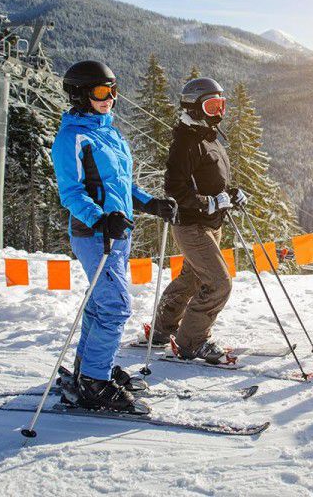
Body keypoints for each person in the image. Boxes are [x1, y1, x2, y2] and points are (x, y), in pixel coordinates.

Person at [51, 60, 177, 413]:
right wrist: (100, 219)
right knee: (115, 304)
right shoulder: (72, 137)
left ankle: (89, 369)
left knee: (100, 303)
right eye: (101, 92)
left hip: (117, 234)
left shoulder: (110, 132)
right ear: (79, 94)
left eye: (113, 91)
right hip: (93, 235)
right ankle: (94, 382)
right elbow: (72, 193)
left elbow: (121, 186)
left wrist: (150, 203)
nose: (110, 99)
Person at [150, 77, 247, 364]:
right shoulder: (185, 142)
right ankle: (191, 342)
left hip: (209, 222)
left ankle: (161, 329)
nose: (218, 112)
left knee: (192, 278)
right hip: (191, 224)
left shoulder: (208, 136)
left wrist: (231, 193)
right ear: (194, 107)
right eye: (211, 105)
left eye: (221, 105)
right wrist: (210, 203)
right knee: (219, 283)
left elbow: (209, 180)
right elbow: (176, 189)